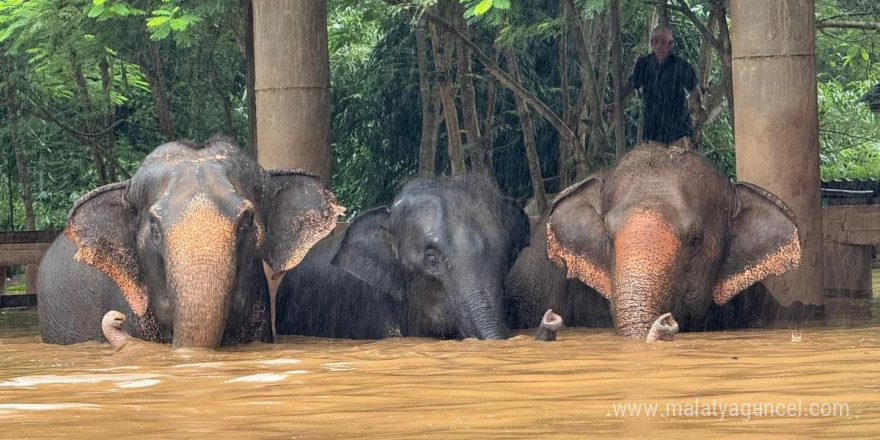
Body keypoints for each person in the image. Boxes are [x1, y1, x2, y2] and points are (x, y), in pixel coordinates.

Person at [605, 25, 705, 149]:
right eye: (655, 42)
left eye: (663, 42)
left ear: (670, 44)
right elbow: (631, 85)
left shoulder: (681, 66)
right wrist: (616, 103)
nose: (659, 46)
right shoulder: (644, 64)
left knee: (679, 163)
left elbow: (694, 89)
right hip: (654, 124)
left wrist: (699, 108)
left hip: (678, 124)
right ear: (651, 43)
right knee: (656, 164)